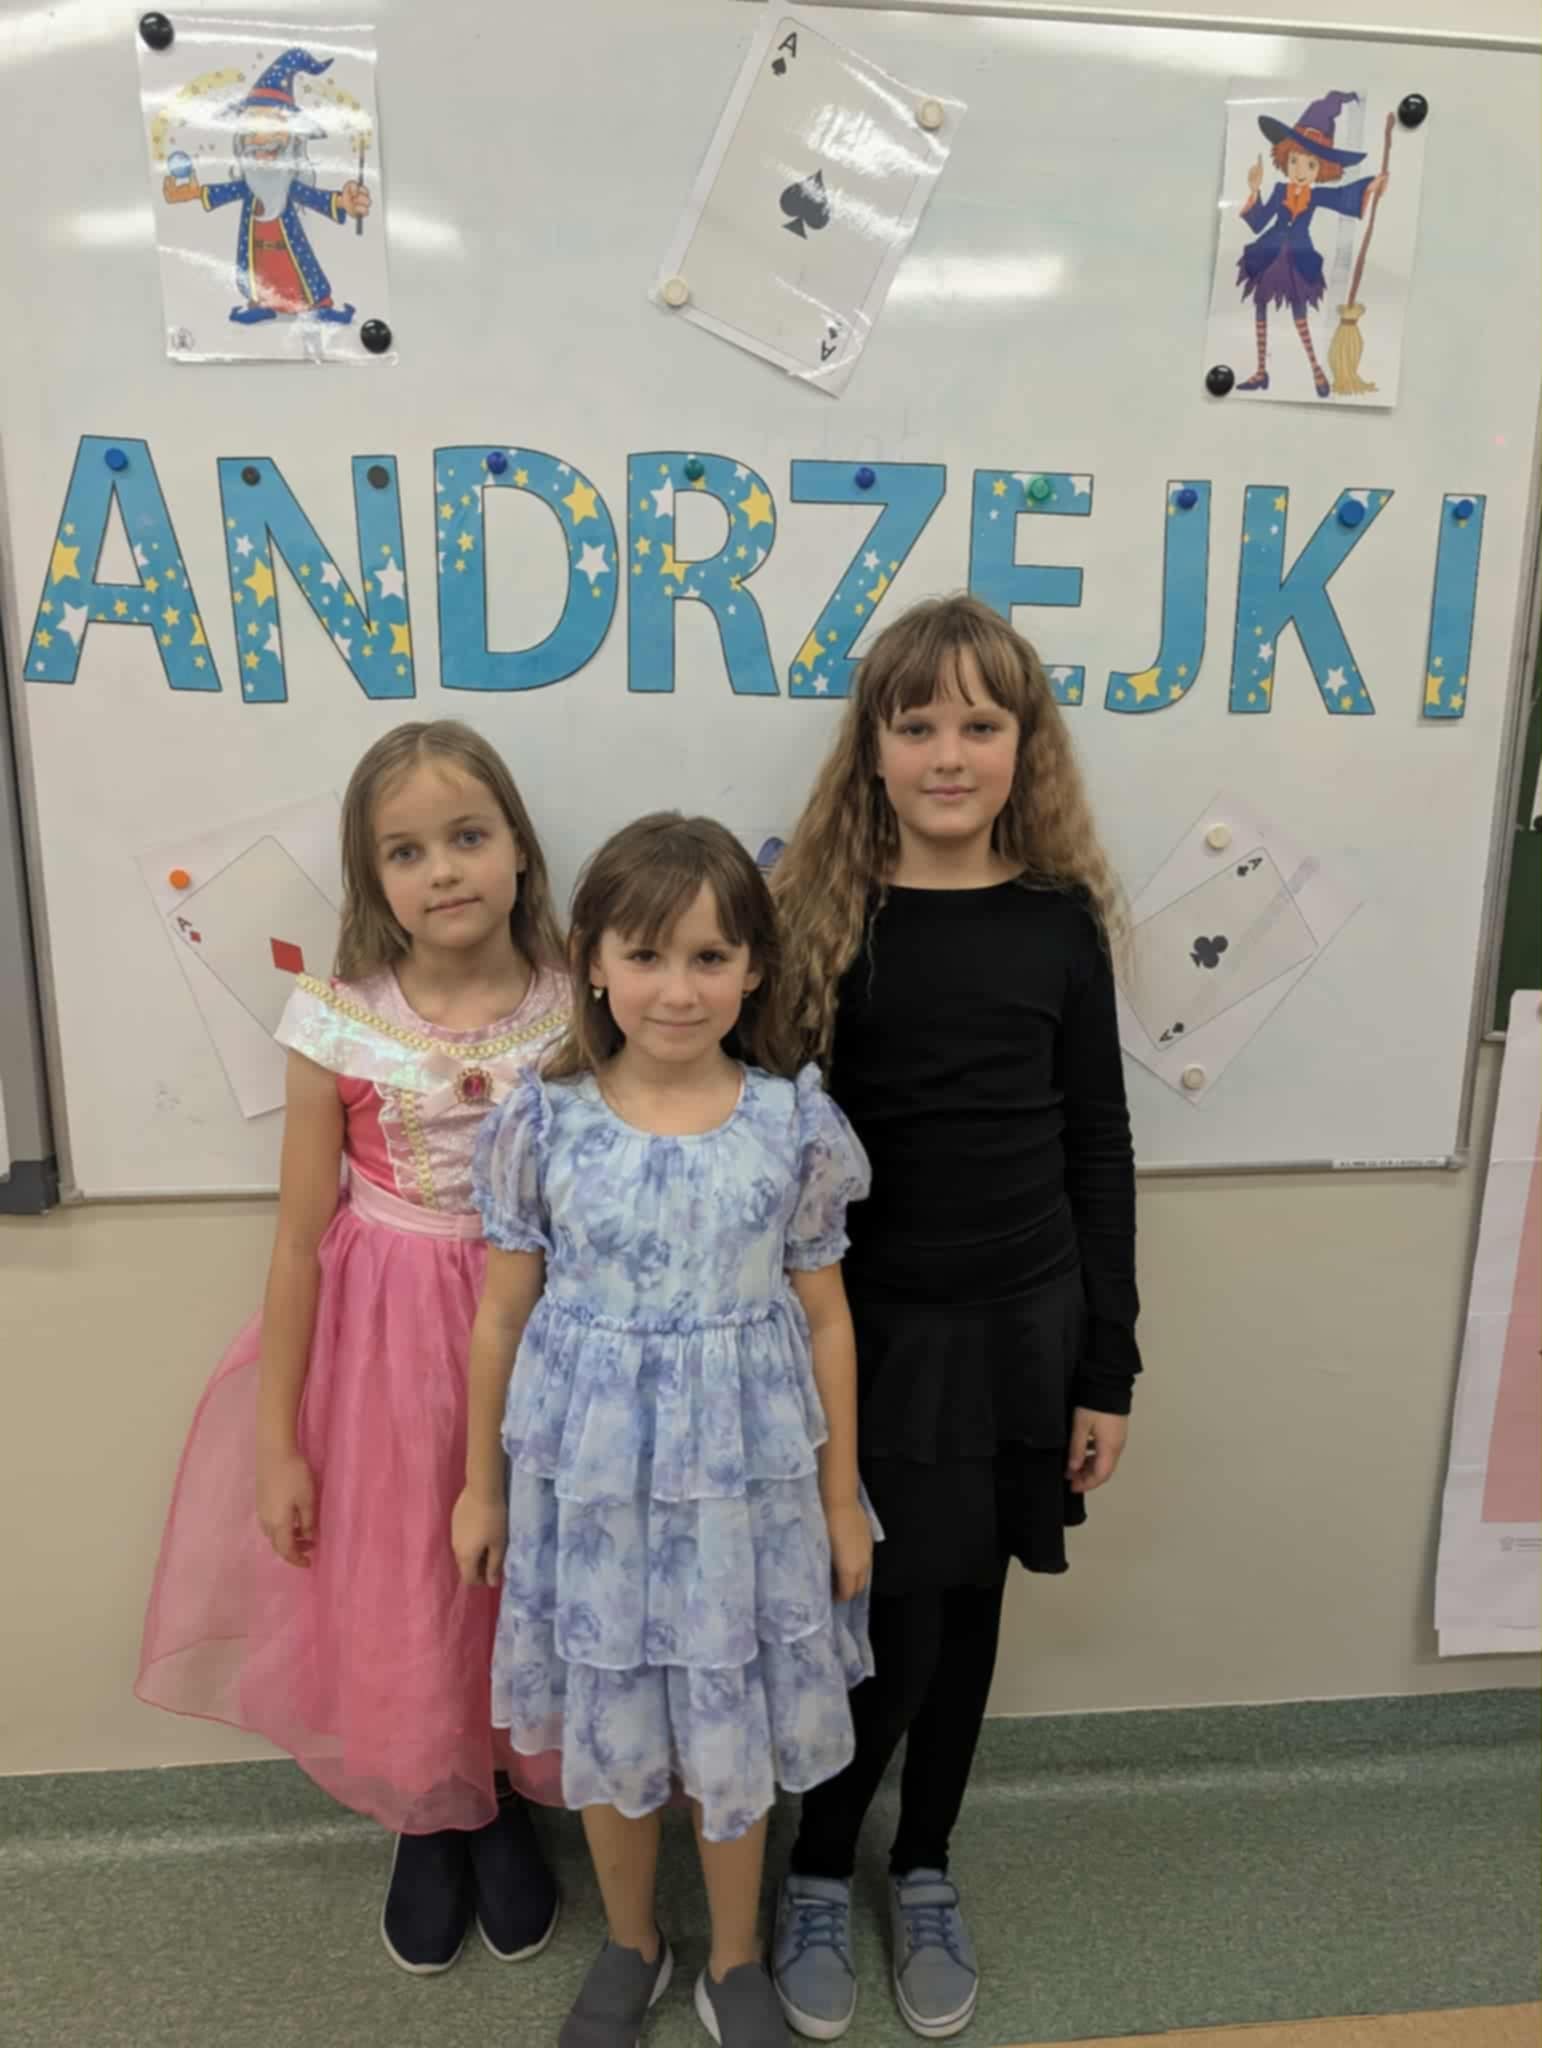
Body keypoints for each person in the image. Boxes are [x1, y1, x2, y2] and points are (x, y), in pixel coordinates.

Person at [768, 594, 1143, 2041]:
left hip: (1027, 1329)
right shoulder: (820, 917)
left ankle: (922, 1861)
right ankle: (818, 1866)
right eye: (916, 723)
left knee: (972, 1606)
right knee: (886, 1622)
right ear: (870, 746)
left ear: (1022, 744)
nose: (947, 753)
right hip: (874, 1340)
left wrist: (1107, 1366)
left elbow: (1098, 1145)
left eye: (979, 724)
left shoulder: (1059, 923)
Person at [137, 720, 568, 1975]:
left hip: (543, 1335)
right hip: (384, 1353)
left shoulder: (577, 1003)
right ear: (372, 876)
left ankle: (503, 1789)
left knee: (520, 1565)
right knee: (405, 1576)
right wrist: (279, 1441)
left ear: (519, 848)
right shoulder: (336, 1021)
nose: (444, 870)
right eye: (406, 850)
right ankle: (429, 1808)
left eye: (468, 835)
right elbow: (295, 1240)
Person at [454, 813, 876, 2048]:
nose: (677, 989)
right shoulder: (547, 1122)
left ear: (753, 967)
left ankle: (734, 1954)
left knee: (730, 1712)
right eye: (645, 955)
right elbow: (500, 1317)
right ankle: (632, 1941)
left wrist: (840, 1497)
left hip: (745, 1492)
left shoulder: (791, 1125)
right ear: (592, 960)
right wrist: (480, 1486)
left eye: (709, 957)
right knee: (615, 1713)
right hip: (594, 1494)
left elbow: (828, 1318)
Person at [1233, 90, 1388, 398]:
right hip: (1267, 254)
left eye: (1310, 165)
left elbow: (1343, 196)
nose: (1300, 171)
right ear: (1284, 158)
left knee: (1299, 314)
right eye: (1294, 161)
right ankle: (1261, 371)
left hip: (1298, 259)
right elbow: (1258, 222)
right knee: (1260, 307)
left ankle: (1317, 370)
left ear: (1322, 170)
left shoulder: (1316, 195)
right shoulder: (1279, 190)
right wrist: (1254, 190)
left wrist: (1372, 185)